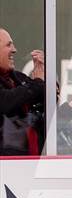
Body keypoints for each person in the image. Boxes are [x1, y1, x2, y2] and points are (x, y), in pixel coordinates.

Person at [0, 28, 45, 156]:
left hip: (30, 162)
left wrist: (44, 76)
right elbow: (6, 101)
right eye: (9, 45)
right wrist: (38, 83)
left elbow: (46, 94)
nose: (14, 50)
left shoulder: (17, 77)